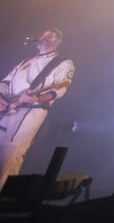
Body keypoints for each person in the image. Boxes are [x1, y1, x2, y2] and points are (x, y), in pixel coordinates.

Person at [0, 29, 75, 189]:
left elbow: (61, 88)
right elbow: (5, 82)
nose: (43, 38)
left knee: (11, 154)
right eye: (43, 35)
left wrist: (37, 98)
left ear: (58, 42)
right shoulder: (25, 61)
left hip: (29, 112)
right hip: (5, 110)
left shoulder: (63, 63)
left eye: (49, 37)